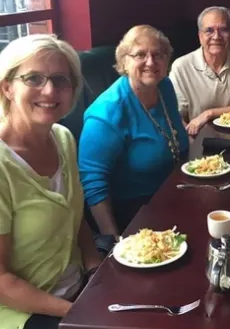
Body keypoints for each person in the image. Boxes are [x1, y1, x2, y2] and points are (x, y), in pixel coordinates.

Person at [0, 34, 160, 329]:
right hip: (9, 319)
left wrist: (95, 270)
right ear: (7, 86)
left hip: (72, 291)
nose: (49, 91)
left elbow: (76, 219)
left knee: (162, 307)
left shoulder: (62, 138)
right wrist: (78, 313)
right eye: (33, 78)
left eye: (61, 80)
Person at [79, 25, 189, 239]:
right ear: (124, 62)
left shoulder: (164, 86)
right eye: (140, 54)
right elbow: (93, 184)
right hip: (134, 214)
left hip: (172, 194)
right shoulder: (107, 113)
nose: (151, 62)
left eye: (158, 54)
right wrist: (114, 242)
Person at [169, 6, 230, 135]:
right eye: (209, 30)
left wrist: (209, 114)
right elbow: (176, 115)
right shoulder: (181, 66)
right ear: (200, 36)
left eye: (223, 30)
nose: (216, 36)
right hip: (198, 140)